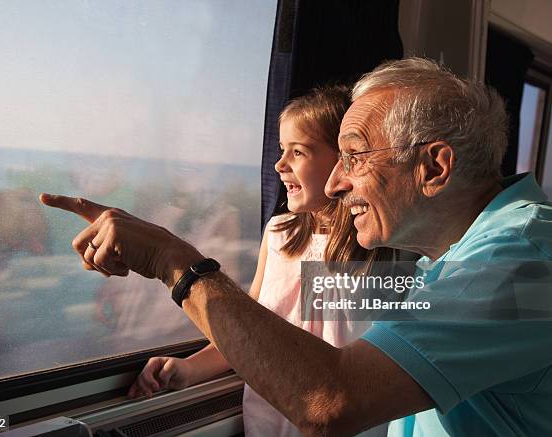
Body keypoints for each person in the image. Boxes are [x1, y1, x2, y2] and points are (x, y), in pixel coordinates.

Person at [41, 57, 552, 436]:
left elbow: (332, 400)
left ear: (434, 168)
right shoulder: (450, 265)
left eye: (353, 157)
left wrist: (174, 262)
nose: (333, 185)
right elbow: (289, 319)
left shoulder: (523, 268)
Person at [124, 85, 391, 437]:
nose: (280, 165)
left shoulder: (375, 249)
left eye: (298, 152)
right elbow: (250, 331)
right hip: (269, 423)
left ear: (343, 160)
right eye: (282, 150)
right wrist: (188, 369)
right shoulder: (279, 235)